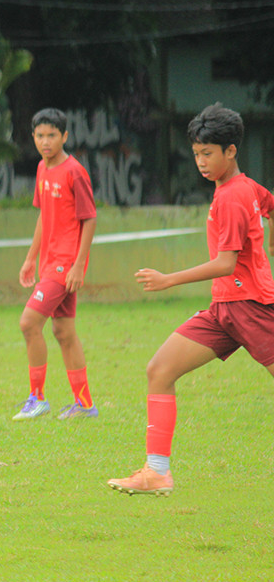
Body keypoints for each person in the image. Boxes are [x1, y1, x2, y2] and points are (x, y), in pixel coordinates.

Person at [109, 103, 274, 496]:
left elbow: (225, 262)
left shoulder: (233, 196)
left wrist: (169, 280)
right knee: (160, 370)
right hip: (224, 311)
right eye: (196, 153)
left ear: (230, 151)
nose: (200, 161)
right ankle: (156, 473)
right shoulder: (244, 187)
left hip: (250, 307)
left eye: (208, 153)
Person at [13, 108, 99, 421]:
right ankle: (85, 404)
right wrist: (30, 258)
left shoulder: (74, 171)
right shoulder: (41, 168)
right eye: (40, 135)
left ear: (64, 136)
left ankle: (37, 398)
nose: (46, 141)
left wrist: (78, 265)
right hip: (49, 262)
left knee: (28, 323)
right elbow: (43, 216)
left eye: (52, 135)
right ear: (33, 137)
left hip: (64, 264)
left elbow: (89, 219)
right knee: (63, 332)